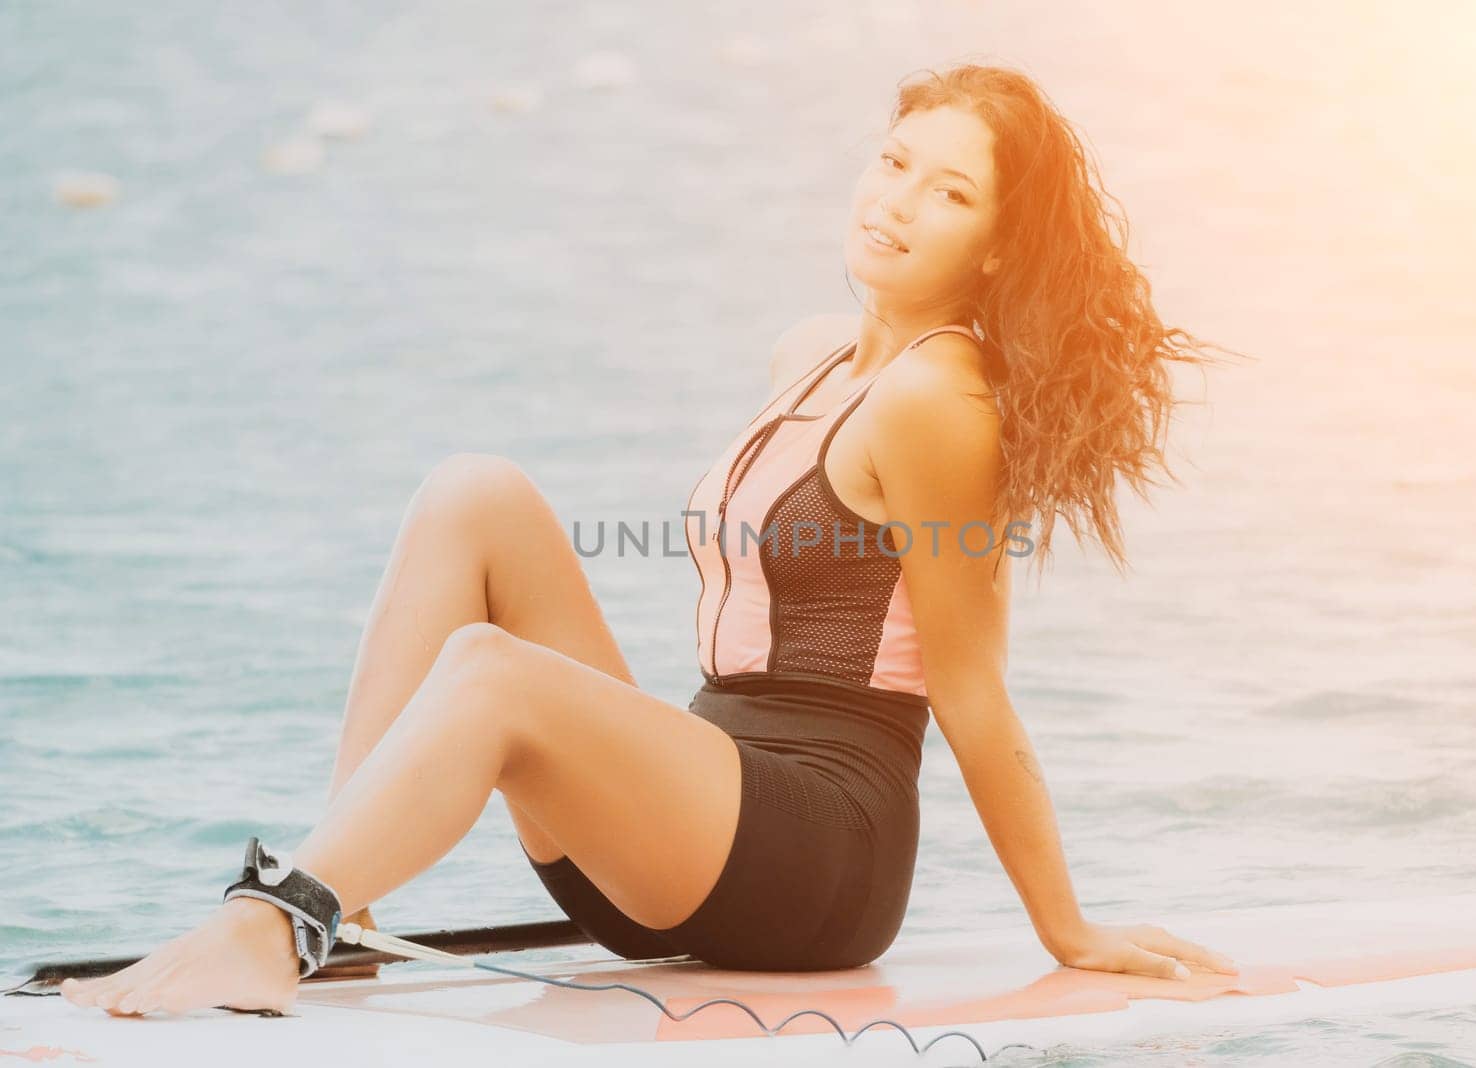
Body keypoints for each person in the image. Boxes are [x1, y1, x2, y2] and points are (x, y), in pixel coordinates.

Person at [64, 62, 1238, 1017]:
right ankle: (347, 908)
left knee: (492, 671)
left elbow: (974, 692)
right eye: (893, 164)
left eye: (950, 193)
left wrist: (1066, 927)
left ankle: (281, 923)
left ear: (992, 246)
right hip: (696, 827)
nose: (895, 203)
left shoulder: (943, 401)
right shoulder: (815, 353)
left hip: (815, 859)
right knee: (475, 494)